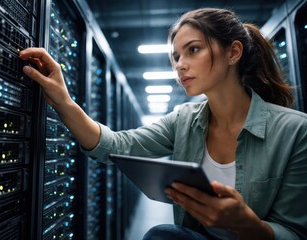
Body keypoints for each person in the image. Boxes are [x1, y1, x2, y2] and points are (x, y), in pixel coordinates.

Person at [19, 7, 307, 240]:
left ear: (233, 52)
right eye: (176, 56)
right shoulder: (183, 120)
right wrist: (62, 100)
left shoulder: (295, 130)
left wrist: (246, 225)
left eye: (193, 50)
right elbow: (115, 145)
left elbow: (295, 231)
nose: (180, 64)